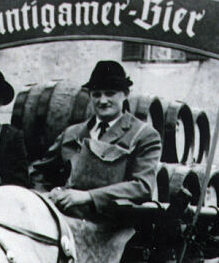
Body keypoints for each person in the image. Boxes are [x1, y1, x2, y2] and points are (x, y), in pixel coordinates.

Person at [34, 60, 163, 218]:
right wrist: (48, 194)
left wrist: (89, 196)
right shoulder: (72, 133)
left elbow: (142, 187)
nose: (102, 101)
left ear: (125, 94)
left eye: (110, 93)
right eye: (96, 94)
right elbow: (39, 174)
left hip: (115, 226)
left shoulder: (144, 135)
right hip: (68, 219)